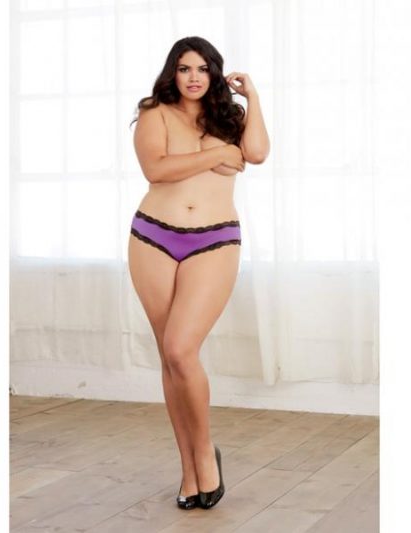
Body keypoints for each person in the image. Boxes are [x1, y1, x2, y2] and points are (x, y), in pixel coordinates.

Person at [128, 36, 269, 510]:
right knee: (170, 359)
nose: (193, 77)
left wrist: (253, 97)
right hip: (153, 237)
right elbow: (156, 169)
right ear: (173, 71)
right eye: (185, 68)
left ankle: (205, 452)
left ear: (214, 74)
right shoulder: (155, 112)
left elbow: (257, 153)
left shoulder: (228, 116)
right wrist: (216, 156)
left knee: (180, 348)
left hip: (214, 240)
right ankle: (189, 471)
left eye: (203, 69)